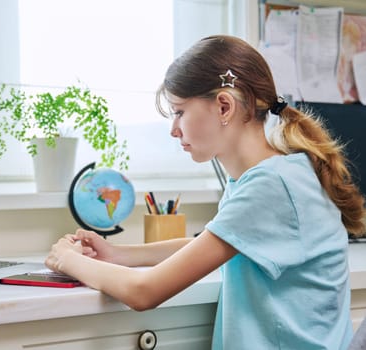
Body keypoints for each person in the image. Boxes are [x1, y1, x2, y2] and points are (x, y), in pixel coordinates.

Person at [45, 35, 366, 349]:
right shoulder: (270, 174)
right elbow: (218, 242)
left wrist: (68, 260)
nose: (173, 129)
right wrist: (120, 255)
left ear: (224, 106)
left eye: (179, 112)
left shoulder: (270, 186)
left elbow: (144, 292)